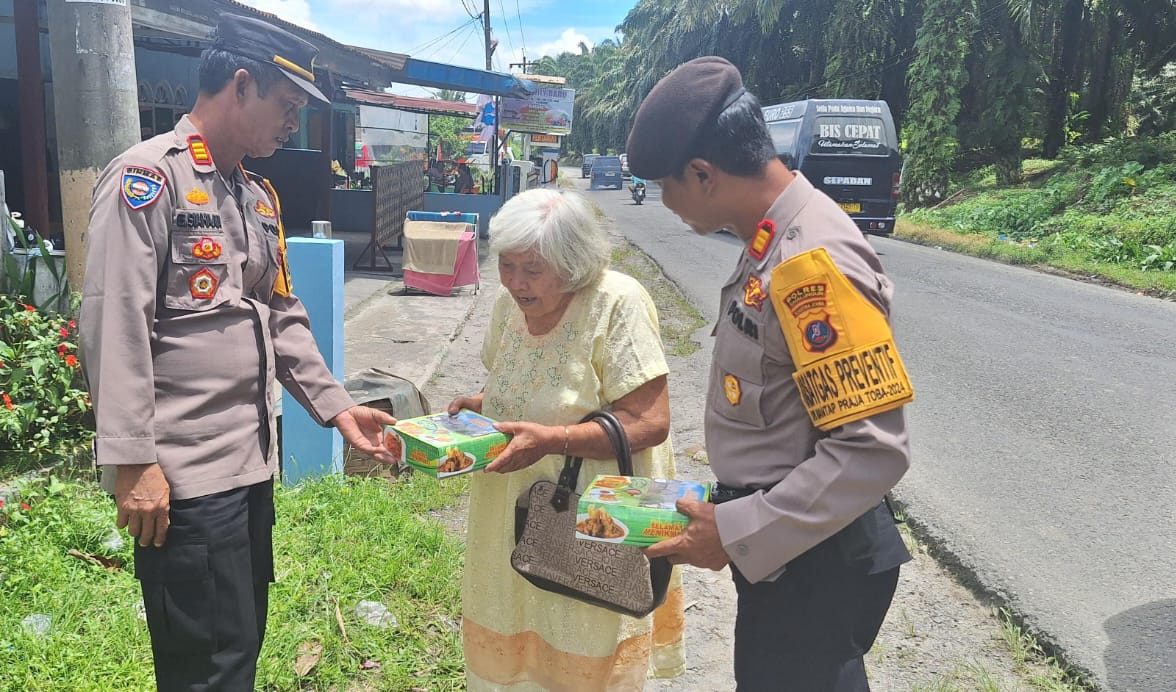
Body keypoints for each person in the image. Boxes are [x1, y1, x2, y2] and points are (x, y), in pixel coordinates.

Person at [78, 14, 396, 690]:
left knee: (240, 642)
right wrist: (133, 464)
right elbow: (115, 320)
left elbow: (280, 313)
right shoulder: (148, 180)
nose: (293, 125)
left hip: (247, 467)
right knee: (205, 664)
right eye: (287, 108)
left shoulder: (254, 197)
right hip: (186, 477)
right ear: (241, 84)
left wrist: (338, 409)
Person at [626, 56, 913, 691]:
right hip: (790, 546)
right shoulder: (769, 237)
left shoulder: (811, 261)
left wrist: (732, 531)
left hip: (816, 560)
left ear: (703, 174)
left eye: (665, 187)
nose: (664, 204)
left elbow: (871, 451)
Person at [446, 187, 686, 690]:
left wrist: (553, 439)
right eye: (507, 266)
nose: (516, 282)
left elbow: (648, 423)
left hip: (592, 516)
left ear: (572, 263)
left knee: (583, 635)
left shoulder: (616, 302)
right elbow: (519, 386)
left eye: (532, 270)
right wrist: (480, 406)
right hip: (508, 510)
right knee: (516, 627)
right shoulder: (506, 306)